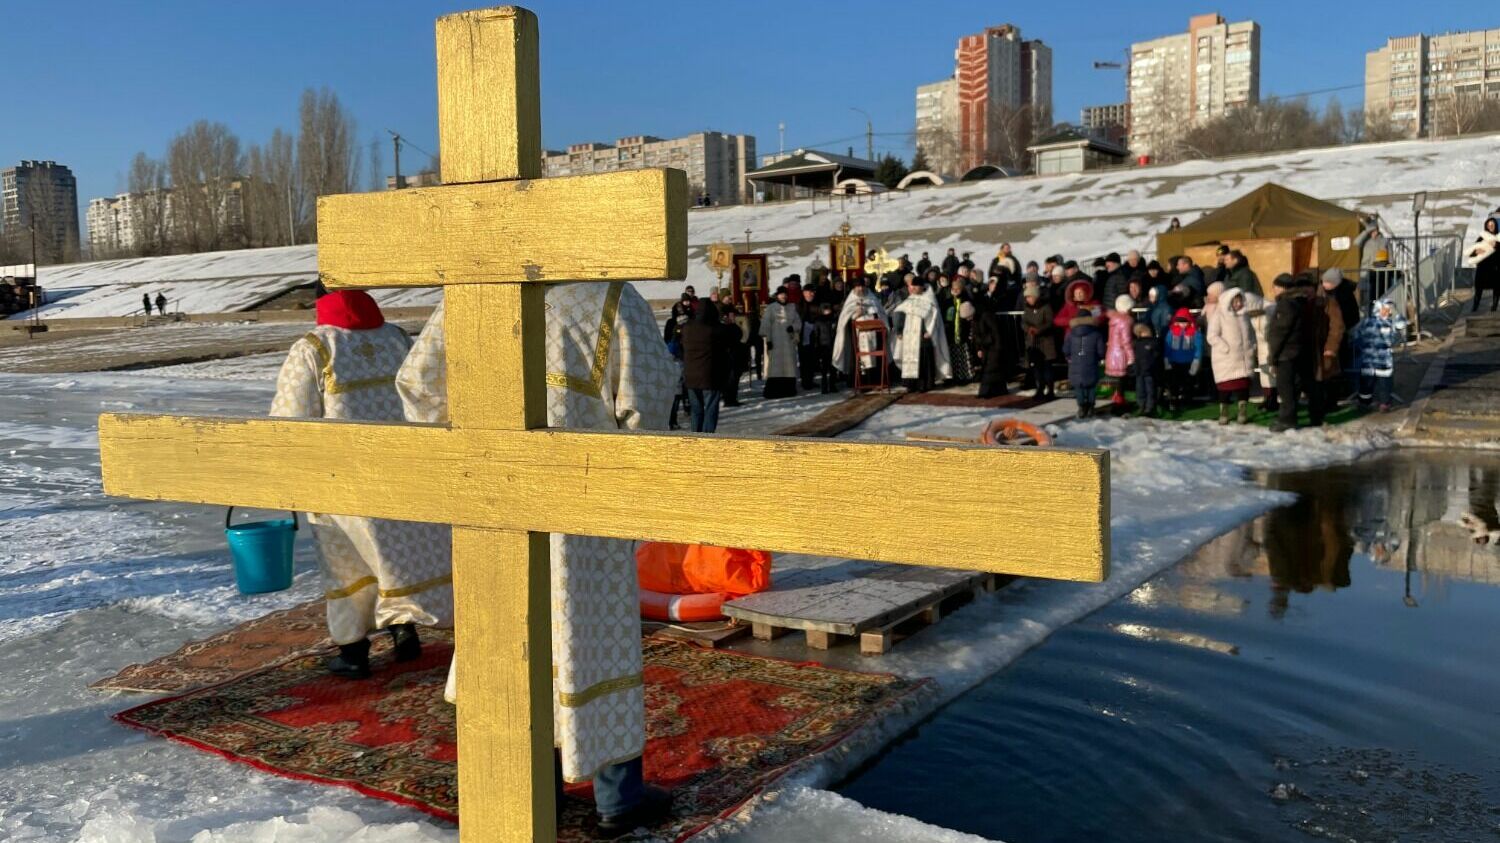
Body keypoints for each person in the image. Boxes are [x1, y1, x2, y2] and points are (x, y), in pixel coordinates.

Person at [395, 283, 675, 834]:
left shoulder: (470, 293)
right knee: (592, 643)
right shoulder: (611, 295)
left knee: (511, 640)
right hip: (581, 510)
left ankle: (533, 789)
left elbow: (419, 385)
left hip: (494, 502)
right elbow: (647, 403)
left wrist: (467, 456)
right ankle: (617, 801)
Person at [274, 289, 453, 680]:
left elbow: (290, 419)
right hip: (400, 470)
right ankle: (403, 631)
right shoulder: (395, 337)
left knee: (347, 562)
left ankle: (353, 650)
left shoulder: (315, 348)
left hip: (343, 477)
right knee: (395, 553)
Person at [1266, 273, 1315, 432]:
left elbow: (1280, 331)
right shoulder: (1299, 302)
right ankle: (1288, 416)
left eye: (1275, 287)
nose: (1273, 290)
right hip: (1298, 350)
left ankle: (1287, 419)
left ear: (1281, 288)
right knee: (1293, 386)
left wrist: (1273, 354)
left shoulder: (1286, 304)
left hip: (1286, 352)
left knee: (1285, 387)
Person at [892, 273, 952, 392]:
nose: (913, 288)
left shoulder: (929, 299)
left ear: (922, 287)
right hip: (909, 334)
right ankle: (911, 384)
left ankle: (924, 384)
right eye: (912, 286)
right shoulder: (910, 299)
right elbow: (899, 312)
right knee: (910, 358)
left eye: (915, 286)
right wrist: (899, 330)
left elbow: (934, 318)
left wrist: (928, 331)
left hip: (923, 334)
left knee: (923, 359)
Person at [680, 299, 734, 432]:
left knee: (696, 409)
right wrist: (730, 324)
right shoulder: (715, 329)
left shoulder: (687, 328)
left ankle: (695, 437)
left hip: (691, 376)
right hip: (710, 376)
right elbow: (735, 337)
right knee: (710, 408)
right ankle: (707, 437)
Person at [1207, 287, 1258, 425]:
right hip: (1226, 359)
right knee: (1226, 387)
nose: (1238, 304)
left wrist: (1252, 346)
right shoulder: (1219, 315)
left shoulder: (1244, 316)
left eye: (1240, 301)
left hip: (1243, 359)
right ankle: (1224, 411)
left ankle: (1242, 411)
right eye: (1235, 301)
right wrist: (1225, 347)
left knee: (1243, 385)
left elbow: (1251, 334)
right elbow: (1212, 335)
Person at [832, 276, 889, 387]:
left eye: (862, 286)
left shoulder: (872, 298)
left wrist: (872, 312)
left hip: (874, 333)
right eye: (857, 287)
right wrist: (856, 315)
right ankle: (860, 382)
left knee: (875, 357)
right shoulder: (851, 300)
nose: (860, 289)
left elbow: (881, 314)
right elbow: (844, 320)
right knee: (860, 359)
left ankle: (876, 381)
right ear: (854, 288)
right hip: (857, 335)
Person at [1354, 299, 1407, 412]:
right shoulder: (1387, 324)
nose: (1388, 312)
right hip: (1382, 361)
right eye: (1386, 309)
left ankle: (1365, 403)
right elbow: (1392, 341)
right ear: (1379, 309)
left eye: (1389, 310)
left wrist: (1363, 348)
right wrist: (1398, 329)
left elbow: (1357, 335)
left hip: (1369, 360)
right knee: (1383, 384)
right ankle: (1382, 403)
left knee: (1368, 383)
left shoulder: (1367, 321)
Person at [1063, 307, 1107, 419]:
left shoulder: (1071, 334)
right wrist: (1097, 357)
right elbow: (1101, 351)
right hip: (1091, 364)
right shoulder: (1096, 334)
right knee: (1091, 386)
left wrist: (1070, 357)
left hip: (1075, 365)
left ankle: (1082, 408)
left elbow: (1066, 350)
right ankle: (1091, 408)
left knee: (1079, 387)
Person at [1162, 306, 1204, 414]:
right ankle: (1174, 400)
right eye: (1180, 322)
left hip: (1188, 363)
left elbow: (1198, 348)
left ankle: (1186, 400)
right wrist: (1167, 360)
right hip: (1174, 362)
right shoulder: (1172, 332)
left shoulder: (1195, 333)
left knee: (1187, 383)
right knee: (1173, 383)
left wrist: (1196, 362)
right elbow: (1167, 347)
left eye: (1185, 322)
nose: (1182, 325)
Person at [1020, 281, 1057, 398]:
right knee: (1037, 368)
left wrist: (1038, 329)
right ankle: (1039, 388)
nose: (1028, 299)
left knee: (1047, 368)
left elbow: (1050, 322)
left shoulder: (1046, 307)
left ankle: (1050, 390)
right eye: (1026, 297)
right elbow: (1023, 322)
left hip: (1046, 342)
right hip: (1033, 342)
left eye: (1030, 297)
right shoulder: (1027, 309)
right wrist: (1028, 329)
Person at [1104, 295, 1136, 412]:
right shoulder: (1125, 321)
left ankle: (1116, 403)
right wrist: (1131, 357)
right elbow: (1126, 341)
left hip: (1112, 353)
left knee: (1115, 383)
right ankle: (1119, 406)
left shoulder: (1113, 320)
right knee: (1121, 383)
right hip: (1121, 355)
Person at [1131, 322, 1160, 417]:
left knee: (1148, 389)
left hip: (1147, 370)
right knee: (1141, 389)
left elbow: (1155, 356)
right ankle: (1143, 406)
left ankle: (1148, 407)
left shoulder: (1152, 342)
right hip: (1141, 370)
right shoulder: (1137, 343)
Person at [1471, 217, 1500, 312]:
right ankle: (1475, 306)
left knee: (1497, 286)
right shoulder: (1481, 238)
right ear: (1486, 226)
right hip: (1483, 268)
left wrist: (1495, 246)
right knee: (1478, 288)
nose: (1491, 227)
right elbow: (1473, 252)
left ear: (1495, 226)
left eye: (1492, 225)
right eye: (1489, 225)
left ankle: (1494, 306)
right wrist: (1477, 251)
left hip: (1495, 268)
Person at [812, 300, 839, 393]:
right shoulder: (818, 320)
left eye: (828, 310)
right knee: (824, 368)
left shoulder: (834, 319)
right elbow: (815, 334)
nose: (827, 311)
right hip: (823, 346)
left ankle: (832, 385)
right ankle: (824, 386)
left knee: (833, 367)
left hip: (833, 346)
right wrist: (816, 346)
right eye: (825, 310)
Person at [798, 287, 821, 390]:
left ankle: (810, 380)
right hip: (802, 334)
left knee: (813, 358)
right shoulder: (799, 305)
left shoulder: (816, 303)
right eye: (808, 292)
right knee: (804, 359)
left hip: (814, 334)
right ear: (804, 293)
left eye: (812, 292)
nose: (810, 294)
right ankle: (805, 381)